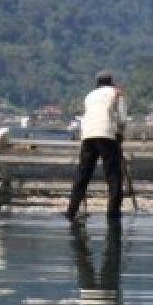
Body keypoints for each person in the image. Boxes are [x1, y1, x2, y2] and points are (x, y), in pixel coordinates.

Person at [65, 70, 128, 221]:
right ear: (111, 82)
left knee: (83, 175)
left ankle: (71, 211)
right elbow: (122, 118)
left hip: (87, 134)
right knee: (113, 176)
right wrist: (120, 135)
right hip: (106, 134)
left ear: (97, 83)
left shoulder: (89, 95)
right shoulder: (117, 93)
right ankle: (113, 214)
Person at [71, 220, 124, 305]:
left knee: (112, 257)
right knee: (82, 259)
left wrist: (119, 295)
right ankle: (78, 230)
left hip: (106, 296)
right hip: (86, 296)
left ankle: (112, 231)